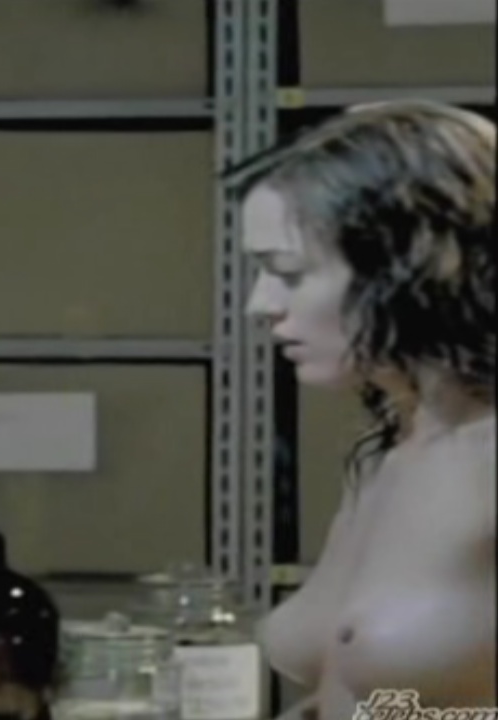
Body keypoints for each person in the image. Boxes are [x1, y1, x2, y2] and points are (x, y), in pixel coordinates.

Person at [234, 100, 495, 720]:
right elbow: (370, 697)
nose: (259, 305)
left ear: (408, 270)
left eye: (288, 272)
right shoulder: (389, 451)